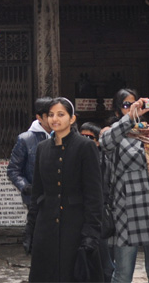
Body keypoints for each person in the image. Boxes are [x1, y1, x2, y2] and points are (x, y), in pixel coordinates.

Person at [100, 88, 149, 283]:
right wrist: (128, 119)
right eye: (126, 105)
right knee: (122, 275)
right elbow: (106, 143)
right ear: (118, 110)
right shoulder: (114, 133)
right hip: (126, 210)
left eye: (135, 104)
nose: (131, 108)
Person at [30, 97, 104, 283]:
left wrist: (90, 234)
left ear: (72, 119)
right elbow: (37, 193)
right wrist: (30, 229)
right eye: (51, 115)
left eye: (61, 114)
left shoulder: (85, 146)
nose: (55, 119)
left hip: (75, 228)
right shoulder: (42, 148)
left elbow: (94, 195)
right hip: (45, 228)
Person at [9, 96, 55, 253]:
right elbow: (13, 170)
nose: (53, 119)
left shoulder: (63, 136)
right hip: (37, 197)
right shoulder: (26, 139)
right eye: (49, 115)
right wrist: (26, 186)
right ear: (39, 117)